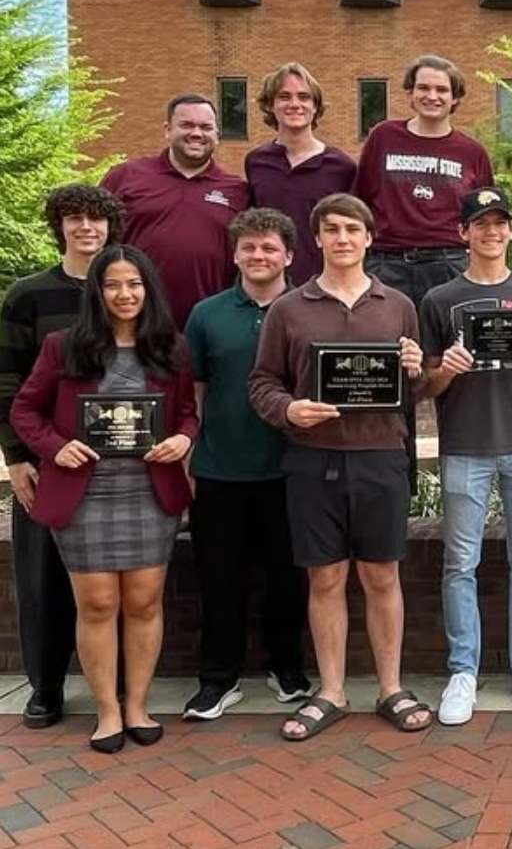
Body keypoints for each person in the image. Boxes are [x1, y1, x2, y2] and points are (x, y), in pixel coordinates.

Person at [248, 193, 432, 740]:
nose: (343, 238)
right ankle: (330, 691)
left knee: (381, 576)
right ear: (318, 239)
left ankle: (390, 686)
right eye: (332, 229)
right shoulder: (288, 308)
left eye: (353, 229)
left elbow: (411, 390)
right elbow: (261, 383)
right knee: (325, 578)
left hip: (380, 457)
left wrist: (417, 369)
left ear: (370, 238)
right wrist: (289, 410)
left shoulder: (397, 304)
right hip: (312, 460)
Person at [11, 246, 197, 753]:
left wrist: (184, 438)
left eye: (134, 284)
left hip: (148, 491)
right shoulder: (62, 346)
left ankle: (137, 704)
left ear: (148, 289)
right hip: (85, 495)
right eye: (112, 284)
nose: (124, 294)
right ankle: (107, 711)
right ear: (96, 292)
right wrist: (55, 447)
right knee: (96, 604)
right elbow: (25, 411)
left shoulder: (170, 348)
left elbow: (186, 414)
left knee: (142, 602)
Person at [419, 187, 512, 722]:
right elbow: (424, 387)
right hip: (466, 448)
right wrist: (445, 371)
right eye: (480, 223)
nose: (491, 232)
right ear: (463, 233)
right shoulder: (439, 300)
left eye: (500, 223)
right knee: (462, 563)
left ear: (510, 232)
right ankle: (464, 671)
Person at [0, 184, 122, 729]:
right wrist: (16, 456)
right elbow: (7, 380)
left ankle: (116, 687)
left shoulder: (126, 291)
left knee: (114, 580)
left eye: (96, 219)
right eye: (75, 219)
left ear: (110, 227)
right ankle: (45, 688)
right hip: (45, 462)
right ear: (59, 226)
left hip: (120, 464)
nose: (86, 229)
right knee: (42, 580)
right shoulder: (28, 295)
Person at [182, 208, 311, 721]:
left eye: (269, 248)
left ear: (290, 255)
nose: (259, 256)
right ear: (234, 254)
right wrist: (189, 459)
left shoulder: (308, 308)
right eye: (249, 248)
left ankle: (287, 669)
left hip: (291, 468)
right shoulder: (206, 315)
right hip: (220, 469)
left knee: (288, 577)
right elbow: (194, 392)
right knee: (219, 579)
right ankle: (218, 679)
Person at [352, 54, 494, 307]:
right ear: (410, 93)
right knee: (386, 344)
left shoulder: (472, 152)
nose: (432, 96)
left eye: (442, 90)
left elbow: (484, 216)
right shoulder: (382, 136)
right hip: (386, 264)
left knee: (448, 345)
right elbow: (359, 201)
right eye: (423, 88)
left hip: (449, 265)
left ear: (455, 98)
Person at [100, 93, 249, 326]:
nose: (196, 133)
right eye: (186, 125)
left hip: (209, 326)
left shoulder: (237, 190)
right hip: (134, 323)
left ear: (217, 135)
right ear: (167, 129)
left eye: (206, 127)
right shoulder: (126, 177)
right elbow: (97, 243)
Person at [245, 62, 358, 286]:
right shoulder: (256, 162)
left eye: (304, 97)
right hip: (270, 287)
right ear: (270, 105)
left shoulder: (342, 167)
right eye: (284, 97)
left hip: (323, 288)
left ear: (315, 106)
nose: (295, 104)